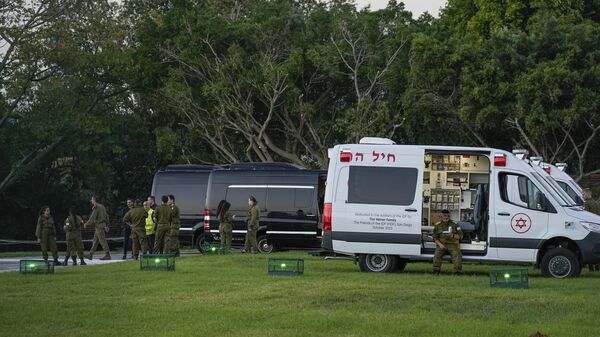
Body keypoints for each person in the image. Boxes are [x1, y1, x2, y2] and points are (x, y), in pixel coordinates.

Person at [432, 209, 463, 275]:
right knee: (437, 255)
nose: (446, 217)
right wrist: (440, 244)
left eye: (447, 216)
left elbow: (460, 236)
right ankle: (436, 271)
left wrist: (452, 235)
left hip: (452, 244)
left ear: (449, 216)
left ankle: (457, 272)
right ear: (441, 216)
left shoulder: (455, 224)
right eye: (444, 215)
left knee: (457, 255)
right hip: (441, 244)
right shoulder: (437, 225)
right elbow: (435, 237)